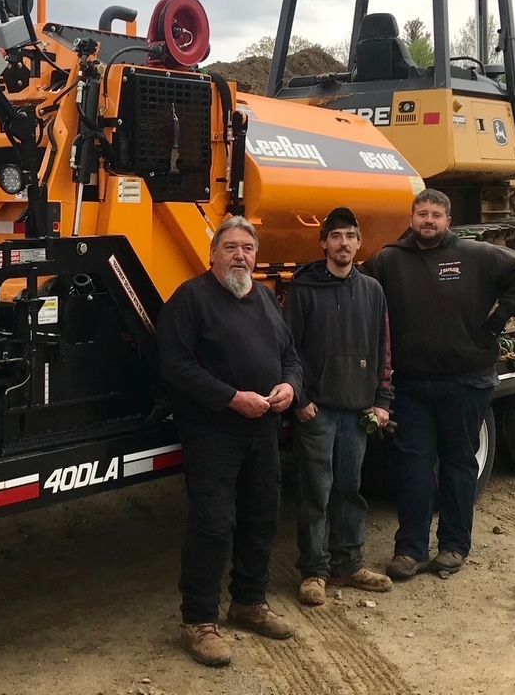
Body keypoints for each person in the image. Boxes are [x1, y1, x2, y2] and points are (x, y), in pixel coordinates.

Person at [367, 189, 515, 580]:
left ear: (448, 220)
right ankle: (409, 550)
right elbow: (359, 292)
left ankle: (453, 546)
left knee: (458, 465)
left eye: (436, 215)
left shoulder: (475, 255)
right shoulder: (389, 260)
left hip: (466, 382)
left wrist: (498, 320)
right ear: (411, 218)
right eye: (422, 214)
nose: (428, 221)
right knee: (413, 467)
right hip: (410, 386)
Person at [157, 215, 303, 667]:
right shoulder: (191, 299)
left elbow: (292, 358)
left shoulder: (265, 300)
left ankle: (249, 603)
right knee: (213, 524)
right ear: (213, 254)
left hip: (262, 429)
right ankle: (199, 621)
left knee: (262, 517)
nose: (241, 255)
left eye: (248, 248)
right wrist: (230, 398)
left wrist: (290, 388)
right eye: (231, 247)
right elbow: (176, 366)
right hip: (213, 432)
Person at [283, 207, 395, 606]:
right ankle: (314, 571)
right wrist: (301, 400)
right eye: (336, 236)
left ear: (359, 242)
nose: (343, 243)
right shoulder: (304, 289)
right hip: (318, 412)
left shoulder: (372, 291)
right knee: (316, 491)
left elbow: (382, 349)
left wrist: (382, 401)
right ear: (323, 243)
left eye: (350, 236)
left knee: (350, 489)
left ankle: (348, 565)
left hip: (358, 410)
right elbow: (288, 350)